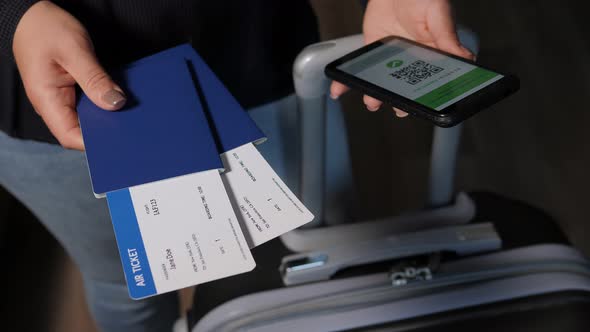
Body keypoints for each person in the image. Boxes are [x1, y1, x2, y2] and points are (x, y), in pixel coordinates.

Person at [0, 0, 472, 331]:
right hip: (56, 97)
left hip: (254, 60)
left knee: (316, 249)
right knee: (126, 284)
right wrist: (13, 16)